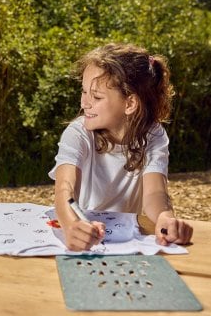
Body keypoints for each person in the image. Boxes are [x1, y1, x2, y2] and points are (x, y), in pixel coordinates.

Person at [49, 43, 193, 251]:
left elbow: (155, 193)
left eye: (96, 97)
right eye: (84, 92)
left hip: (127, 242)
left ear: (130, 104)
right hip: (87, 236)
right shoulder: (78, 133)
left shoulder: (153, 135)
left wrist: (165, 217)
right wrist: (72, 224)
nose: (84, 103)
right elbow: (65, 189)